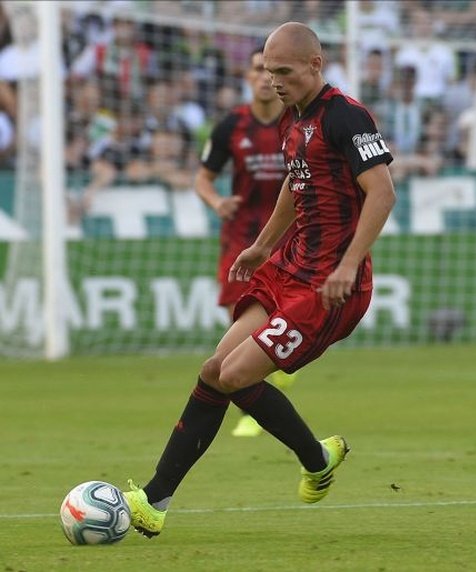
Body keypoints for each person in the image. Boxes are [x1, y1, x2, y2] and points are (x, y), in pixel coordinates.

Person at [122, 21, 397, 538]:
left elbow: (382, 193)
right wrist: (263, 245)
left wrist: (347, 265)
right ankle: (156, 501)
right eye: (269, 72)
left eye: (284, 72)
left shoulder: (347, 116)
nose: (274, 81)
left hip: (329, 289)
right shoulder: (294, 120)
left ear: (315, 65)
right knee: (214, 369)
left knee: (235, 376)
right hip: (288, 267)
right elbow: (297, 184)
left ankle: (313, 458)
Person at [194, 46, 299, 438]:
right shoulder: (231, 126)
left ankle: (259, 399)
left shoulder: (298, 122)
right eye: (257, 69)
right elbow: (202, 178)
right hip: (242, 238)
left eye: (269, 70)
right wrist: (216, 201)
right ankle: (256, 400)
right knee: (238, 324)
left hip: (288, 239)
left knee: (279, 319)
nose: (264, 77)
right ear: (248, 77)